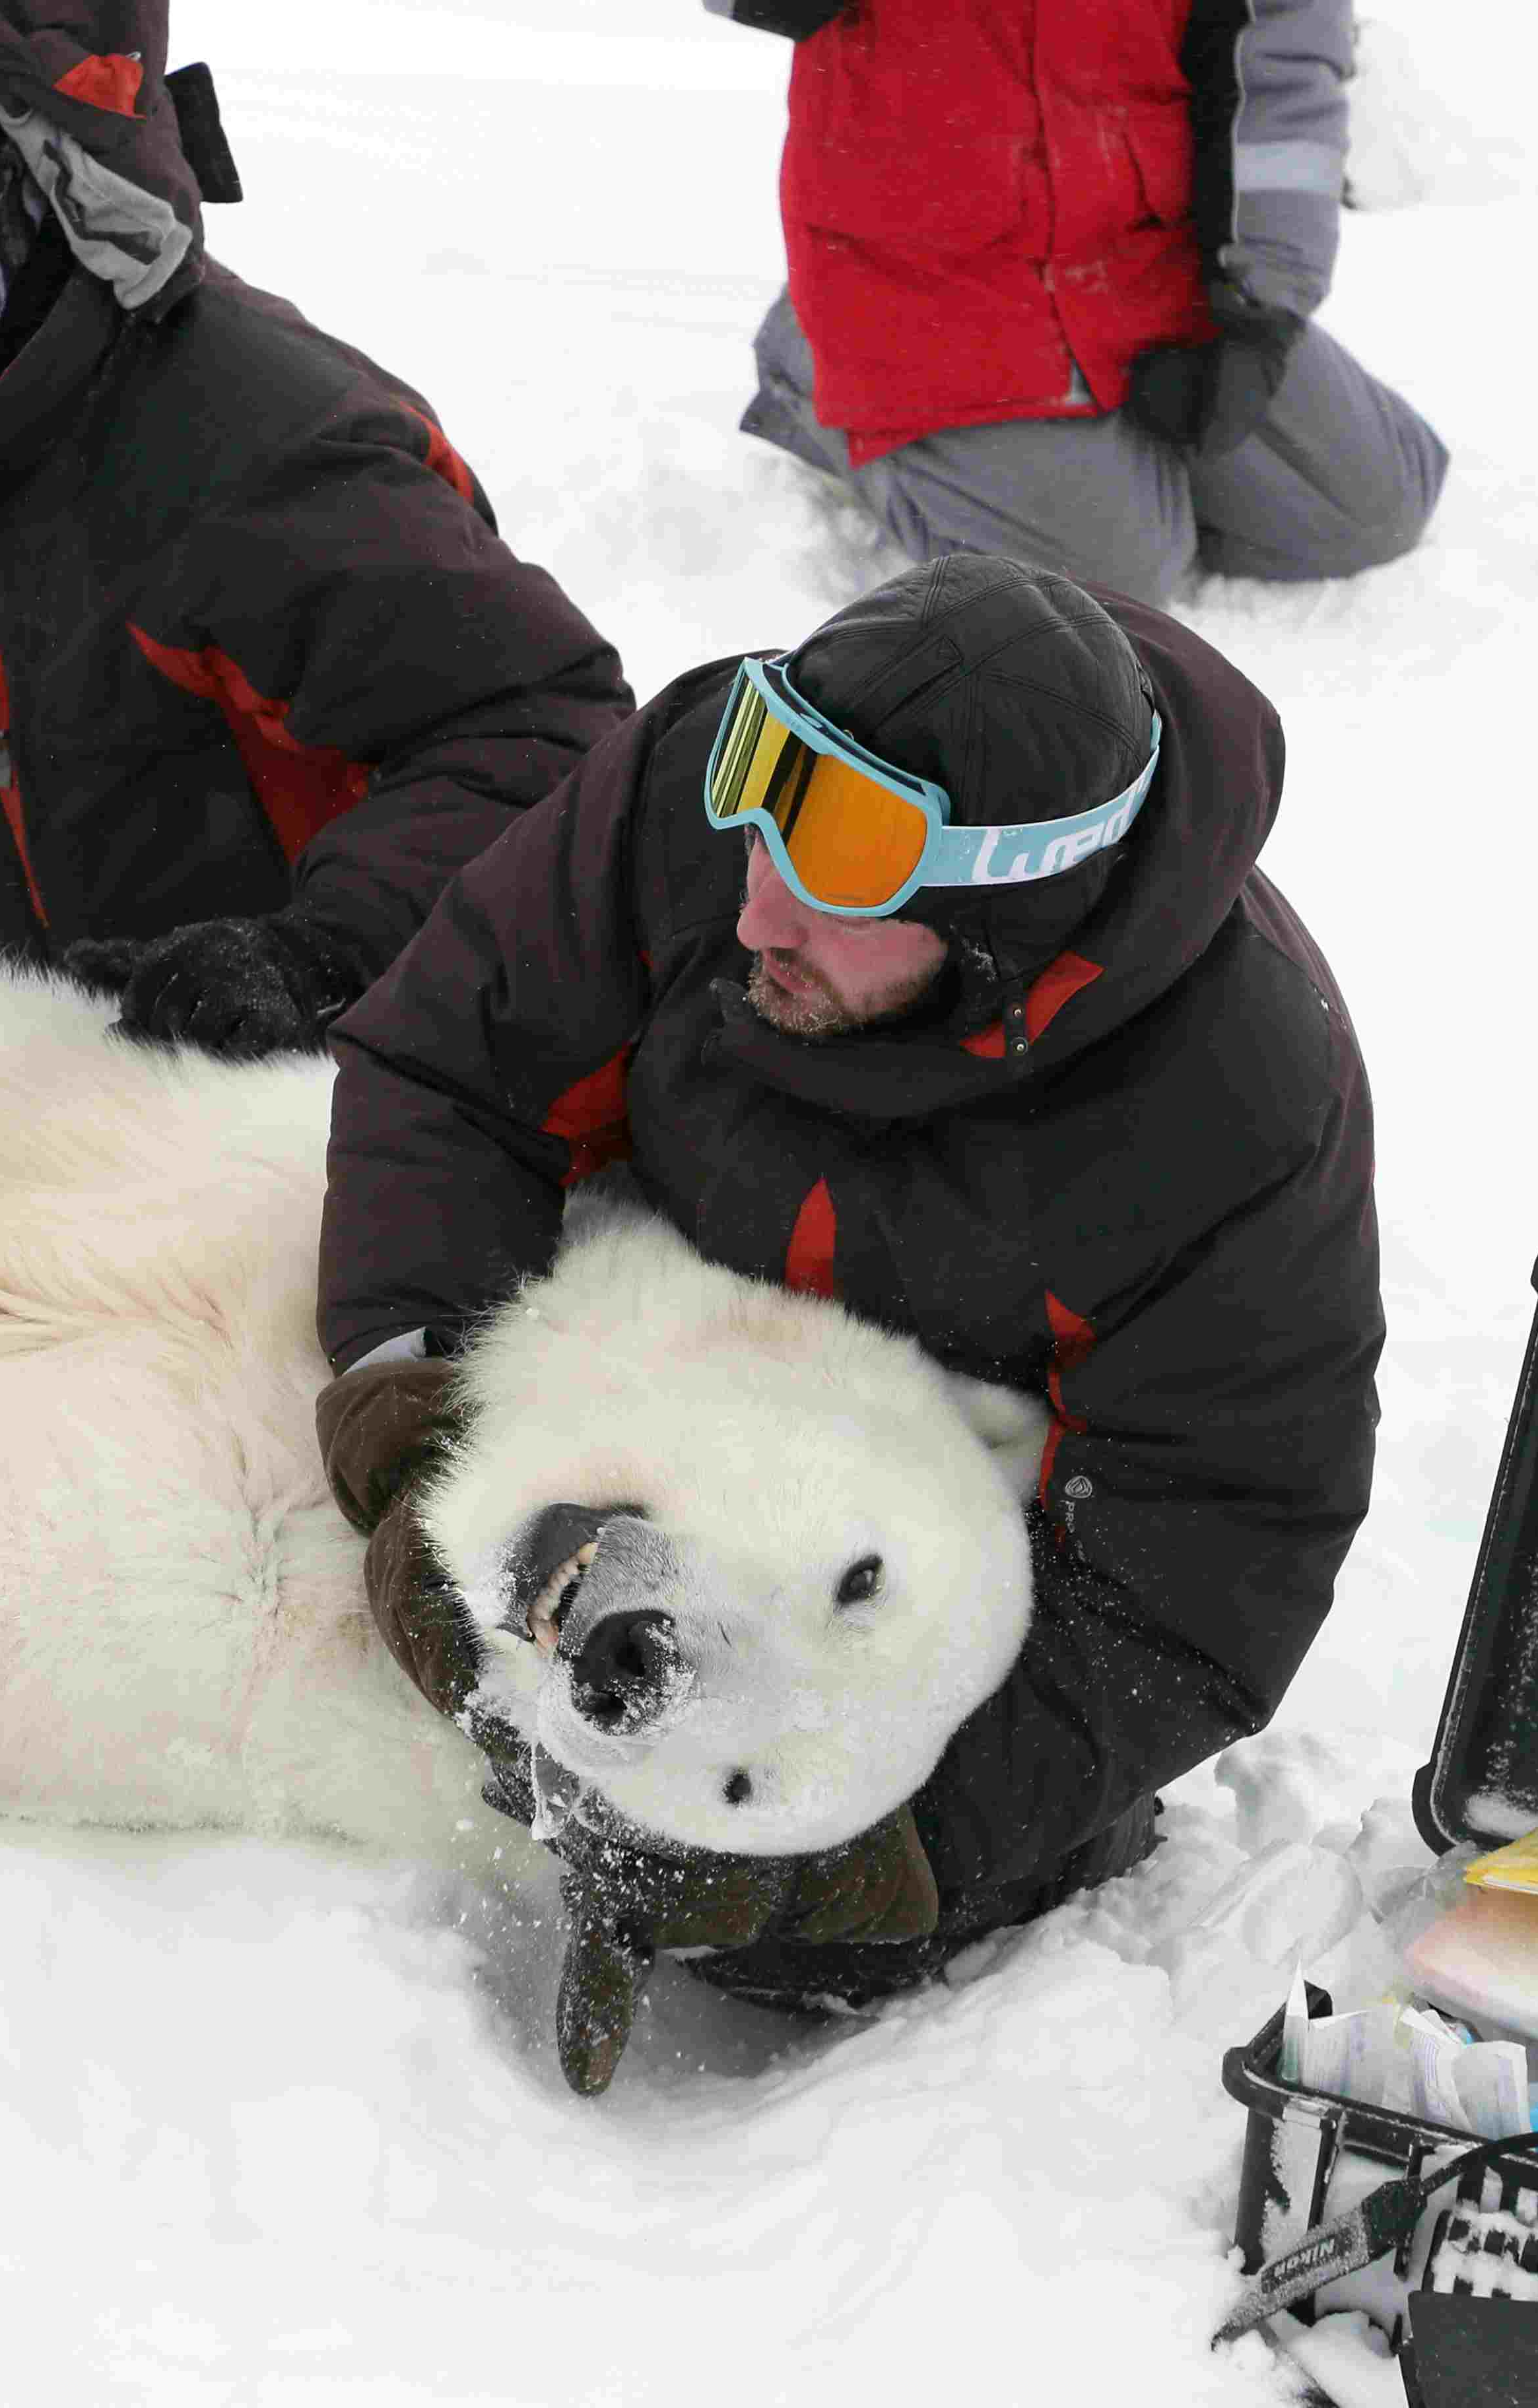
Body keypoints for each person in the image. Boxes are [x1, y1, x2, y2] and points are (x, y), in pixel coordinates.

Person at [311, 553, 1380, 2065]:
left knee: (835, 1942)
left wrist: (870, 1849)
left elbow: (1205, 1562)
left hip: (918, 1524)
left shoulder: (1228, 1108)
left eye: (834, 881)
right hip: (667, 1367)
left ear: (1002, 912)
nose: (752, 912)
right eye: (758, 813)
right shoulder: (716, 799)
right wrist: (421, 1438)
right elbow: (445, 1065)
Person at [0, 2, 630, 1060]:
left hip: (353, 1092)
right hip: (106, 1103)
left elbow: (546, 736)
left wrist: (317, 954)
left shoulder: (255, 453)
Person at [712, 0, 1448, 603]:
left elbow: (1284, 65)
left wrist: (1264, 305)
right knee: (1106, 586)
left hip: (1143, 253)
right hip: (932, 277)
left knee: (1368, 508)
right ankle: (813, 358)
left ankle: (1081, 452)